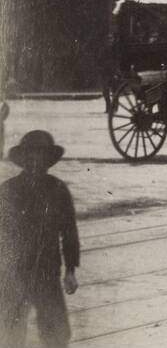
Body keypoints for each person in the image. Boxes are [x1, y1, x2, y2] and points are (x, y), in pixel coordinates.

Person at [0, 130, 79, 348]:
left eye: (41, 156)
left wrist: (71, 270)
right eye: (30, 156)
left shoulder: (58, 189)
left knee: (56, 331)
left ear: (48, 161)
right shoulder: (8, 190)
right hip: (14, 272)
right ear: (23, 159)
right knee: (10, 332)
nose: (35, 161)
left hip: (47, 270)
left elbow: (69, 231)